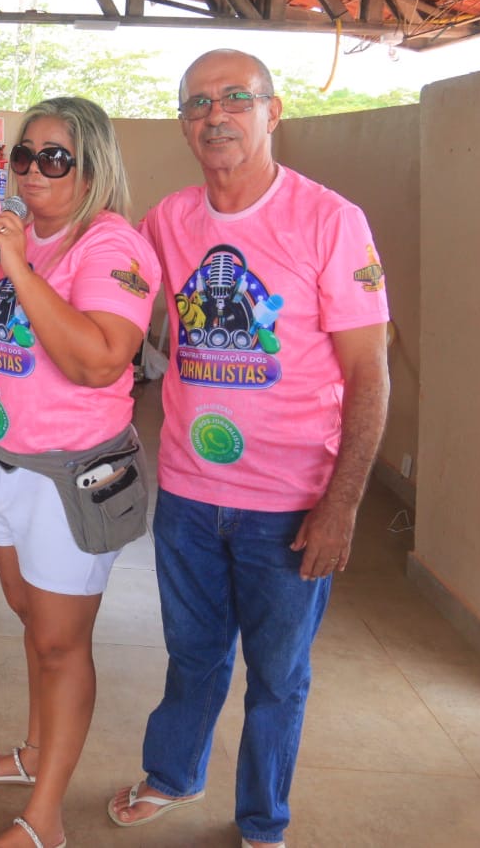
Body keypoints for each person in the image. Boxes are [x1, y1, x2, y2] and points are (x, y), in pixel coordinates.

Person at [107, 50, 390, 848]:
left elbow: (370, 372)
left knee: (278, 674)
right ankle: (174, 773)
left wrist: (341, 504)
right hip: (189, 492)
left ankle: (264, 820)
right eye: (198, 103)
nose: (216, 115)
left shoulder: (330, 220)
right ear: (183, 124)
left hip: (292, 504)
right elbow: (114, 298)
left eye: (236, 97)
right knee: (192, 653)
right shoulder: (168, 220)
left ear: (273, 111)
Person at [0, 97, 159, 848]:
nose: (33, 170)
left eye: (55, 157)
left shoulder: (110, 246)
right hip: (4, 458)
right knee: (31, 617)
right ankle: (35, 749)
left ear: (93, 166)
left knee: (61, 644)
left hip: (71, 473)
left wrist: (17, 266)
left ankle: (45, 818)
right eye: (24, 155)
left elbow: (99, 359)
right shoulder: (19, 235)